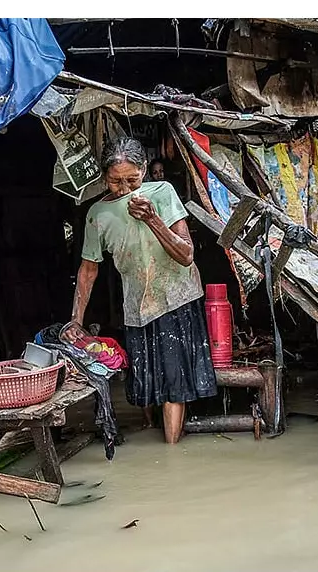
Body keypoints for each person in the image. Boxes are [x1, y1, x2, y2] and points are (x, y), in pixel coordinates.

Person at [70, 137, 217, 444]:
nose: (123, 189)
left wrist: (153, 219)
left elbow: (186, 254)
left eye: (132, 180)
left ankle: (171, 455)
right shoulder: (97, 214)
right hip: (137, 304)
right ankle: (155, 439)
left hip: (177, 297)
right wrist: (76, 320)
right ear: (104, 177)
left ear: (144, 170)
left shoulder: (162, 193)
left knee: (174, 383)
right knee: (147, 383)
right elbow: (88, 270)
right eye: (114, 181)